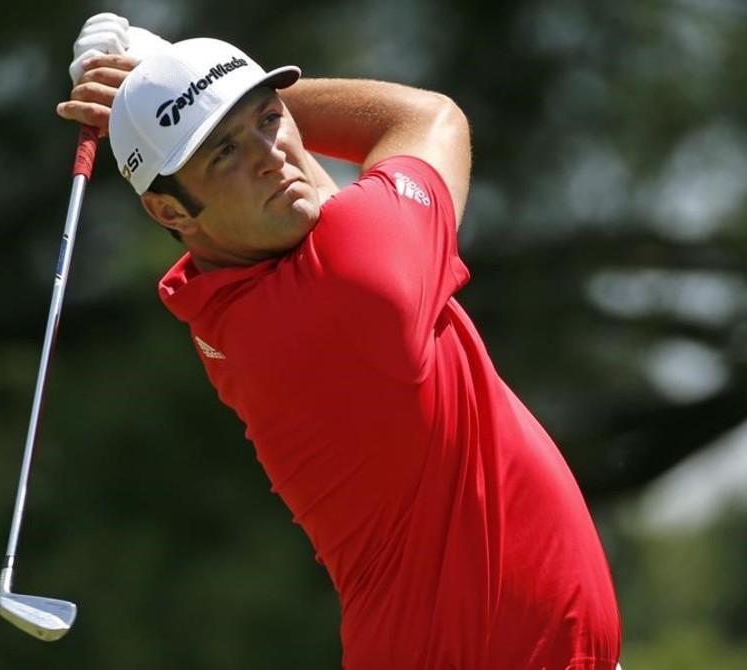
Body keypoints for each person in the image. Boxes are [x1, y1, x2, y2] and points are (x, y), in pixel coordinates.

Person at [57, 14, 622, 670]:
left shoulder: (227, 299)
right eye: (224, 153)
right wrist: (169, 82)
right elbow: (426, 118)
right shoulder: (356, 286)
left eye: (269, 118)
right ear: (170, 212)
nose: (272, 155)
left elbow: (308, 200)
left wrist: (163, 91)